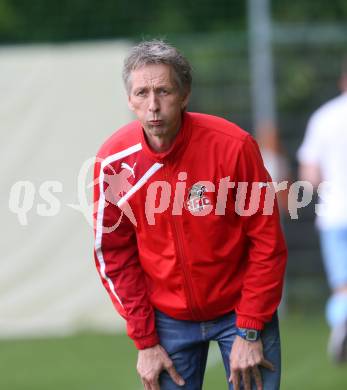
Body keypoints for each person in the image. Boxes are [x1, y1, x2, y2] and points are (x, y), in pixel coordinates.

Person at [93, 40, 287, 390]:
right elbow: (114, 255)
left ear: (184, 95)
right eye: (142, 93)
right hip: (166, 319)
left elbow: (266, 240)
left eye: (163, 91)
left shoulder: (233, 147)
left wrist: (250, 326)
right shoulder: (113, 163)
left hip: (239, 309)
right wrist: (145, 340)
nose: (153, 105)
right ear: (129, 99)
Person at [297, 59, 347, 363]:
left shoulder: (323, 117)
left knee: (342, 284)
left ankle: (342, 323)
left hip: (334, 214)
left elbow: (310, 177)